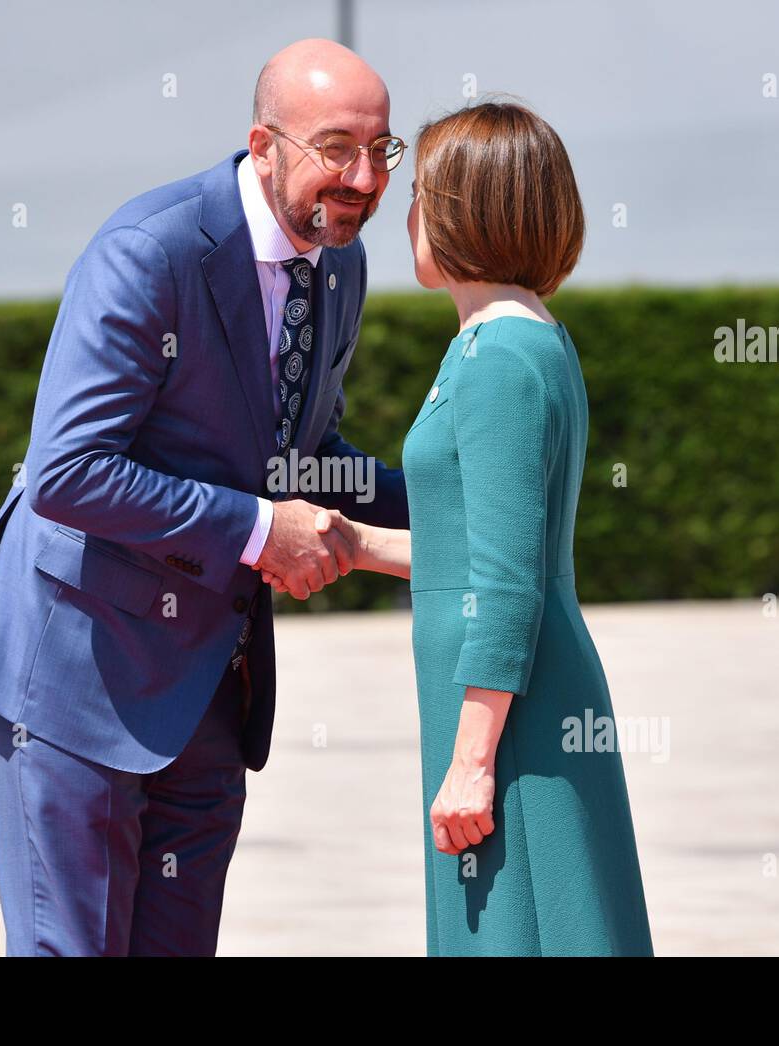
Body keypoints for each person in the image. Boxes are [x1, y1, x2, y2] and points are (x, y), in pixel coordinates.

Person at [0, 38, 409, 956]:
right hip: (77, 671)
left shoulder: (338, 264)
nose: (362, 177)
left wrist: (450, 495)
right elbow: (70, 471)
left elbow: (300, 457)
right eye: (336, 147)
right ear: (263, 145)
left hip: (206, 692)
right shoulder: (148, 251)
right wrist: (262, 529)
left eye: (380, 150)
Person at [262, 99, 655, 956]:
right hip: (509, 701)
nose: (403, 214)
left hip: (508, 719)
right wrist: (354, 545)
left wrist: (473, 761)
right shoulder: (505, 342)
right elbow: (479, 551)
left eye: (422, 195)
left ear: (466, 213)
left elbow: (508, 582)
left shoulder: (500, 359)